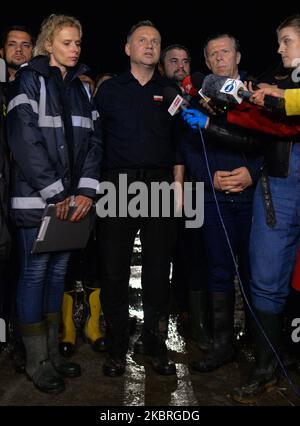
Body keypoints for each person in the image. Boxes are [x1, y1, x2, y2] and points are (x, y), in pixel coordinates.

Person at [6, 14, 102, 393]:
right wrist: (57, 193)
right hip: (37, 199)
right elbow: (23, 141)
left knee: (57, 274)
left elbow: (95, 143)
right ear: (49, 45)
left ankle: (51, 353)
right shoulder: (28, 79)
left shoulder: (82, 87)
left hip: (72, 203)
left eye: (78, 42)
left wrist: (84, 193)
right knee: (34, 274)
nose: (75, 49)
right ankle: (35, 361)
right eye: (67, 42)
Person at [95, 20, 184, 377]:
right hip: (116, 185)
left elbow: (181, 145)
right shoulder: (109, 91)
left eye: (155, 41)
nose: (149, 45)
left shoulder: (172, 92)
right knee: (114, 269)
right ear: (128, 48)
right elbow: (96, 143)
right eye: (142, 40)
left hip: (162, 184)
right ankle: (116, 347)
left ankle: (154, 344)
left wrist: (179, 187)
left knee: (159, 270)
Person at [180, 33, 263, 373]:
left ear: (238, 56)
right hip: (214, 197)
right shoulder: (199, 101)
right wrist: (206, 177)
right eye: (212, 54)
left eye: (225, 51)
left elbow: (272, 144)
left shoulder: (257, 94)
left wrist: (252, 173)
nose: (219, 58)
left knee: (256, 272)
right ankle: (221, 345)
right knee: (218, 270)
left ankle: (261, 345)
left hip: (252, 198)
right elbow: (188, 149)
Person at [229, 15, 300, 402]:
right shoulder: (277, 86)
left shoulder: (284, 92)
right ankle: (265, 365)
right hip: (280, 189)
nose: (279, 49)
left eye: (287, 41)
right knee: (266, 279)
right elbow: (258, 132)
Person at [158, 44, 210, 352]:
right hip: (160, 186)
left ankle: (195, 318)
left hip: (196, 183)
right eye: (174, 61)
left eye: (185, 60)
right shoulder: (159, 92)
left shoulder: (200, 92)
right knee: (163, 252)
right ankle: (160, 319)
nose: (181, 65)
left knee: (195, 251)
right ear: (163, 66)